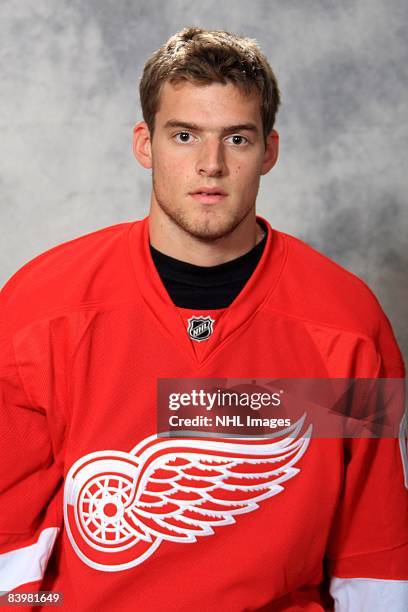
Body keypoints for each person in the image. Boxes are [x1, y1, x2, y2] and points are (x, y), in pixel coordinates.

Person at [0, 26, 407, 612]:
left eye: (237, 139)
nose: (210, 164)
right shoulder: (41, 308)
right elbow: (10, 534)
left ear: (269, 150)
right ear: (146, 144)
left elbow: (375, 548)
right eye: (185, 135)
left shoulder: (347, 325)